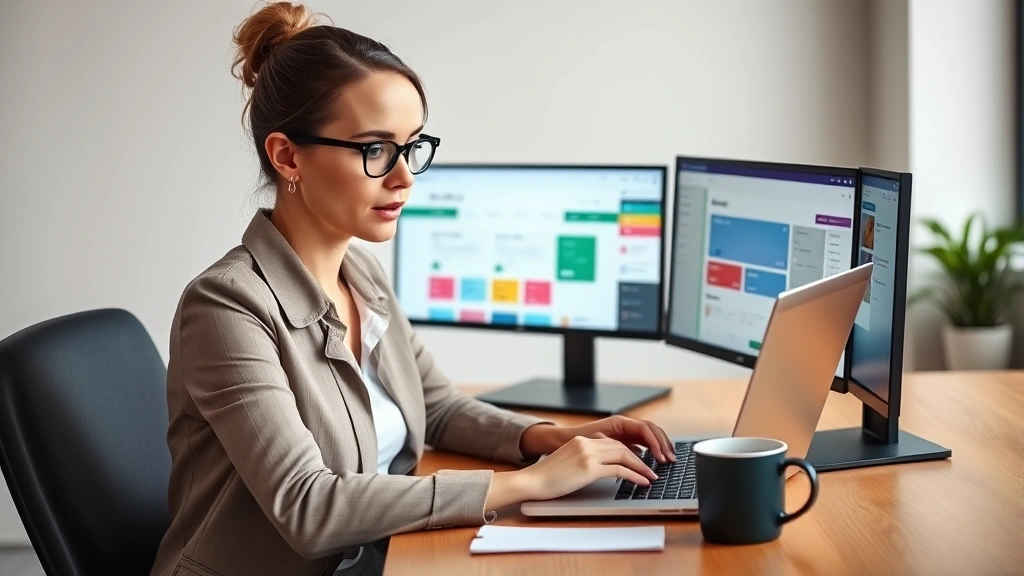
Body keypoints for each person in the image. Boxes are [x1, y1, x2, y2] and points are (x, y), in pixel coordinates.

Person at [150, 3, 674, 575]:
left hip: (375, 559)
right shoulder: (226, 307)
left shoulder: (361, 274)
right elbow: (306, 507)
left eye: (411, 147)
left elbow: (436, 408)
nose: (403, 178)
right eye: (375, 150)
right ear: (287, 155)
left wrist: (552, 438)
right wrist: (528, 483)